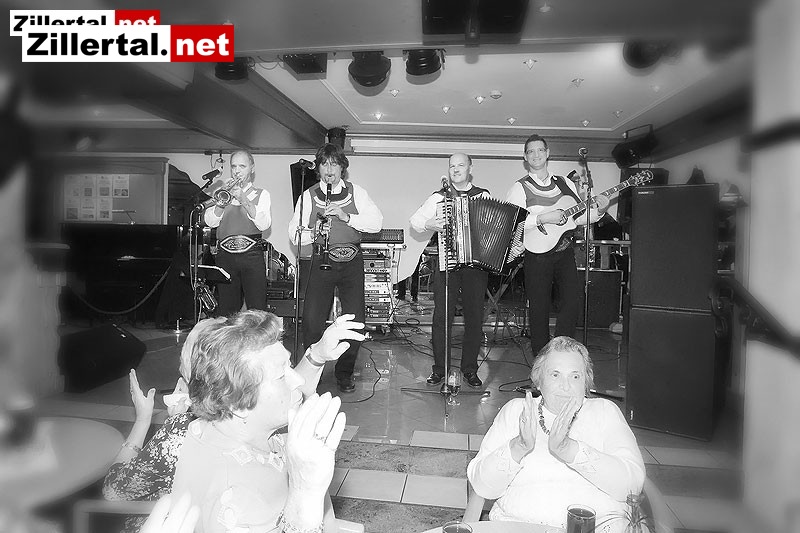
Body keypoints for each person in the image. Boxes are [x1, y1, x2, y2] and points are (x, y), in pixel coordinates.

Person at [103, 313, 361, 533]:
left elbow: (272, 394)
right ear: (236, 402)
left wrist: (317, 355)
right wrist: (307, 489)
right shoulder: (236, 499)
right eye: (282, 375)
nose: (298, 381)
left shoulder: (229, 424)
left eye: (289, 366)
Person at [467, 336, 645, 532]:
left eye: (575, 376)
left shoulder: (604, 412)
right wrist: (518, 447)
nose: (566, 386)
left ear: (586, 382)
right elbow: (482, 485)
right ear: (538, 381)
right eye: (555, 375)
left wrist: (570, 450)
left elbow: (632, 485)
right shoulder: (517, 411)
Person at [288, 143, 383, 393]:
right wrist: (313, 232)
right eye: (324, 164)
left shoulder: (357, 192)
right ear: (318, 169)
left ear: (342, 168)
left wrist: (346, 216)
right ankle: (313, 370)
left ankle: (344, 373)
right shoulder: (307, 196)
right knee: (312, 320)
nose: (329, 169)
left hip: (351, 262)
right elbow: (294, 234)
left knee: (356, 320)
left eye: (334, 164)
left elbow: (376, 223)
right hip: (321, 261)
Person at [506, 134, 609, 355]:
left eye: (540, 150)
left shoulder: (565, 183)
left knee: (572, 302)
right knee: (539, 309)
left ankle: (562, 353)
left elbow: (578, 217)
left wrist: (600, 210)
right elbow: (513, 223)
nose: (536, 155)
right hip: (536, 256)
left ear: (547, 153)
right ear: (525, 157)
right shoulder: (519, 188)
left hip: (564, 252)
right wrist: (543, 218)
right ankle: (541, 359)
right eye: (531, 151)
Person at [409, 153, 489, 388]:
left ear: (470, 168)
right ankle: (440, 369)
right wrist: (429, 224)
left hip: (475, 264)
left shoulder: (482, 196)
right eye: (452, 166)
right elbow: (415, 221)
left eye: (460, 165)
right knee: (441, 318)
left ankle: (470, 369)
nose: (456, 169)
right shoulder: (438, 197)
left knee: (474, 317)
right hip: (448, 264)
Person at [204, 150, 272, 316]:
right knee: (227, 311)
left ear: (252, 168)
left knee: (257, 310)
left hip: (251, 256)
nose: (237, 171)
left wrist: (244, 199)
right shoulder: (223, 194)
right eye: (234, 166)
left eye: (242, 166)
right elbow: (210, 222)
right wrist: (221, 203)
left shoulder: (261, 194)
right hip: (225, 257)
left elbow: (264, 224)